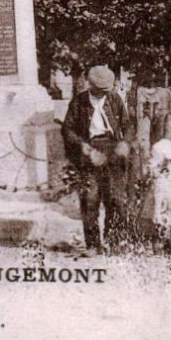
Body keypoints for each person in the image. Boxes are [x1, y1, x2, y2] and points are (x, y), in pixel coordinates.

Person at [61, 64, 133, 254]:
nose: (102, 94)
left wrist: (125, 142)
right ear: (90, 86)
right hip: (90, 151)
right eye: (99, 91)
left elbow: (127, 126)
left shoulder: (115, 100)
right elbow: (67, 130)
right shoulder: (79, 102)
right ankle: (93, 244)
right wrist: (83, 147)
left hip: (113, 150)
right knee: (90, 198)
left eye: (105, 91)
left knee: (116, 199)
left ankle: (114, 241)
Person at [139, 137, 171, 253]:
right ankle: (157, 245)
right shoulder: (154, 170)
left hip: (167, 199)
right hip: (157, 199)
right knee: (157, 220)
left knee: (167, 221)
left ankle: (170, 244)